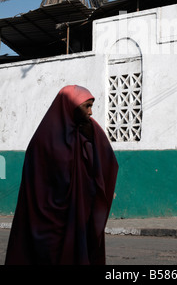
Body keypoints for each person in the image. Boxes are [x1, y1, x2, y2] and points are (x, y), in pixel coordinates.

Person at [5, 85, 118, 265]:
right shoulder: (42, 140)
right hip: (45, 220)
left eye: (91, 106)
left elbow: (105, 161)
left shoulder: (83, 134)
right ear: (70, 106)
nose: (90, 112)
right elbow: (36, 184)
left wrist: (93, 136)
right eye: (86, 106)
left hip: (74, 215)